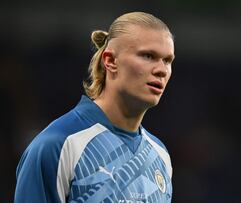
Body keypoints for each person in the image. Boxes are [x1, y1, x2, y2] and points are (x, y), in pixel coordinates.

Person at [14, 11, 175, 203]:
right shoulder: (58, 145)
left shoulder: (160, 156)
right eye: (148, 56)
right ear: (111, 61)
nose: (161, 70)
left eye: (167, 60)